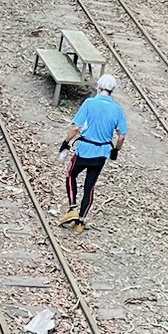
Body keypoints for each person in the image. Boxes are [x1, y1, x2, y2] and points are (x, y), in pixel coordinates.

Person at [58, 72, 128, 230]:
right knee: (89, 187)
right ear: (112, 89)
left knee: (71, 174)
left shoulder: (89, 103)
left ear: (99, 86)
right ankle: (80, 222)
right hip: (102, 153)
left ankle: (72, 208)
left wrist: (66, 143)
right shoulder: (117, 110)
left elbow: (76, 128)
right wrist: (116, 150)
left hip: (84, 150)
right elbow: (121, 136)